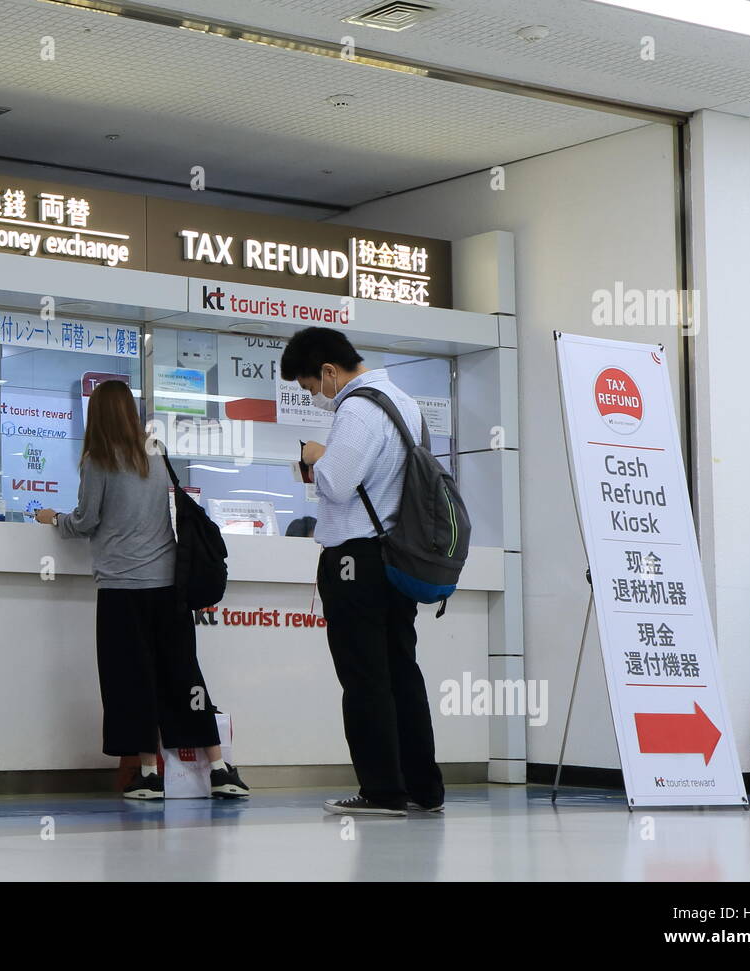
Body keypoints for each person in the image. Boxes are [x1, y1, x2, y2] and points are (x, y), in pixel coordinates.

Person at [35, 379, 249, 801]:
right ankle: (220, 769)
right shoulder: (155, 451)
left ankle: (149, 774)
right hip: (169, 586)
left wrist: (53, 519)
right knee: (185, 676)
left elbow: (86, 521)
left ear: (95, 415)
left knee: (133, 680)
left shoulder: (98, 460)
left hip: (122, 588)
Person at [281, 326, 444, 818]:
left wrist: (313, 455)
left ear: (330, 371)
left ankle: (382, 789)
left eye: (313, 387)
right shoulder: (405, 404)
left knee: (364, 676)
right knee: (401, 672)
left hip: (356, 559)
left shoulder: (356, 408)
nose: (317, 399)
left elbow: (336, 484)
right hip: (398, 556)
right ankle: (422, 787)